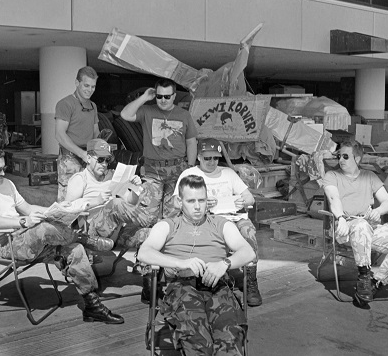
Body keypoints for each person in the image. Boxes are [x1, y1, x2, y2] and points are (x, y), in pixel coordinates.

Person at [0, 145, 124, 324]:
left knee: (74, 249)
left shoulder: (7, 184)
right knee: (44, 229)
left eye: (4, 169)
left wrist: (54, 210)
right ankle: (85, 238)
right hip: (4, 245)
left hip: (25, 237)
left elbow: (28, 208)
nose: (2, 174)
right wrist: (24, 221)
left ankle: (92, 305)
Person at [138, 175, 255, 355]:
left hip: (217, 285)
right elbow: (144, 253)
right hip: (181, 287)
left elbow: (248, 252)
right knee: (197, 340)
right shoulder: (168, 225)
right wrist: (181, 262)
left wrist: (224, 264)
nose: (198, 206)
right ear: (179, 201)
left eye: (202, 200)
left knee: (230, 338)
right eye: (191, 201)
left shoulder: (221, 224)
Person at [171, 138, 262, 307]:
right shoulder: (190, 174)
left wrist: (244, 201)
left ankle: (250, 281)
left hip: (233, 218)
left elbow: (250, 197)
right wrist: (201, 202)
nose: (212, 162)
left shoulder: (228, 173)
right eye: (207, 158)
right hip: (207, 220)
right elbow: (176, 202)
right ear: (199, 157)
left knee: (249, 233)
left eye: (215, 158)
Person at [321, 140, 388, 305]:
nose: (340, 160)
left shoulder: (369, 176)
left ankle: (374, 283)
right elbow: (334, 198)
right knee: (361, 226)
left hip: (369, 226)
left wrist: (378, 211)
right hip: (346, 227)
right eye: (339, 156)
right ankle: (363, 276)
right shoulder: (332, 176)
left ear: (357, 158)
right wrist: (340, 217)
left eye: (345, 156)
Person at [120, 78, 198, 219]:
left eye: (167, 96)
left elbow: (191, 142)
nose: (163, 100)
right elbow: (125, 115)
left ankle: (169, 239)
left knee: (173, 214)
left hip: (177, 170)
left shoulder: (184, 115)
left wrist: (190, 167)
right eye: (159, 96)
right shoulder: (147, 111)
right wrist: (144, 97)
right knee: (148, 215)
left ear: (174, 96)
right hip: (152, 172)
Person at [65, 138, 157, 249]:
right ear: (89, 158)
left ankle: (161, 227)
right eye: (100, 159)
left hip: (117, 230)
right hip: (92, 232)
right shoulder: (80, 179)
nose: (104, 164)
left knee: (153, 234)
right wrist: (97, 201)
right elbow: (67, 210)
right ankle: (153, 221)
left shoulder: (112, 176)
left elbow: (129, 202)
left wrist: (135, 188)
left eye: (107, 160)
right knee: (115, 203)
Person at [55, 66, 100, 202]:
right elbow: (59, 135)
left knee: (87, 200)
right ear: (77, 83)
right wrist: (82, 154)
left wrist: (100, 152)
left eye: (93, 86)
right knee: (68, 203)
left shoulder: (93, 106)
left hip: (88, 158)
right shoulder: (65, 104)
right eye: (86, 85)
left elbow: (96, 133)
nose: (90, 90)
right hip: (70, 159)